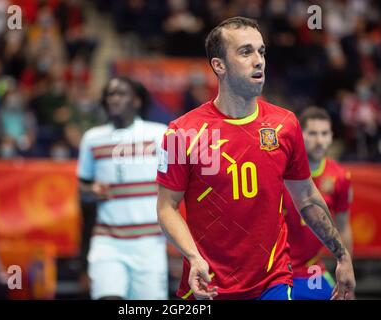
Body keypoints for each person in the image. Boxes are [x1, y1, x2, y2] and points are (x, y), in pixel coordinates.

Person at [156, 16, 355, 300]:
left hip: (272, 281)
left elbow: (307, 197)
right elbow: (167, 207)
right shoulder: (181, 132)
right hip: (208, 284)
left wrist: (342, 256)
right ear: (219, 65)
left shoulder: (284, 125)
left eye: (261, 51)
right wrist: (192, 257)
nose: (259, 60)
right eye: (246, 51)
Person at [77, 76, 168, 300]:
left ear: (136, 101)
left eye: (121, 93)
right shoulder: (92, 139)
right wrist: (91, 192)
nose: (114, 99)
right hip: (107, 242)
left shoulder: (161, 134)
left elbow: (179, 183)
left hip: (150, 244)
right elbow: (82, 188)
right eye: (110, 94)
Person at [284, 107, 354, 300]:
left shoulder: (341, 177)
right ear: (300, 136)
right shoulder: (281, 171)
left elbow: (343, 227)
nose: (319, 140)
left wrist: (348, 270)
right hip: (277, 268)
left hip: (311, 268)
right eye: (312, 133)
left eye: (324, 133)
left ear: (331, 136)